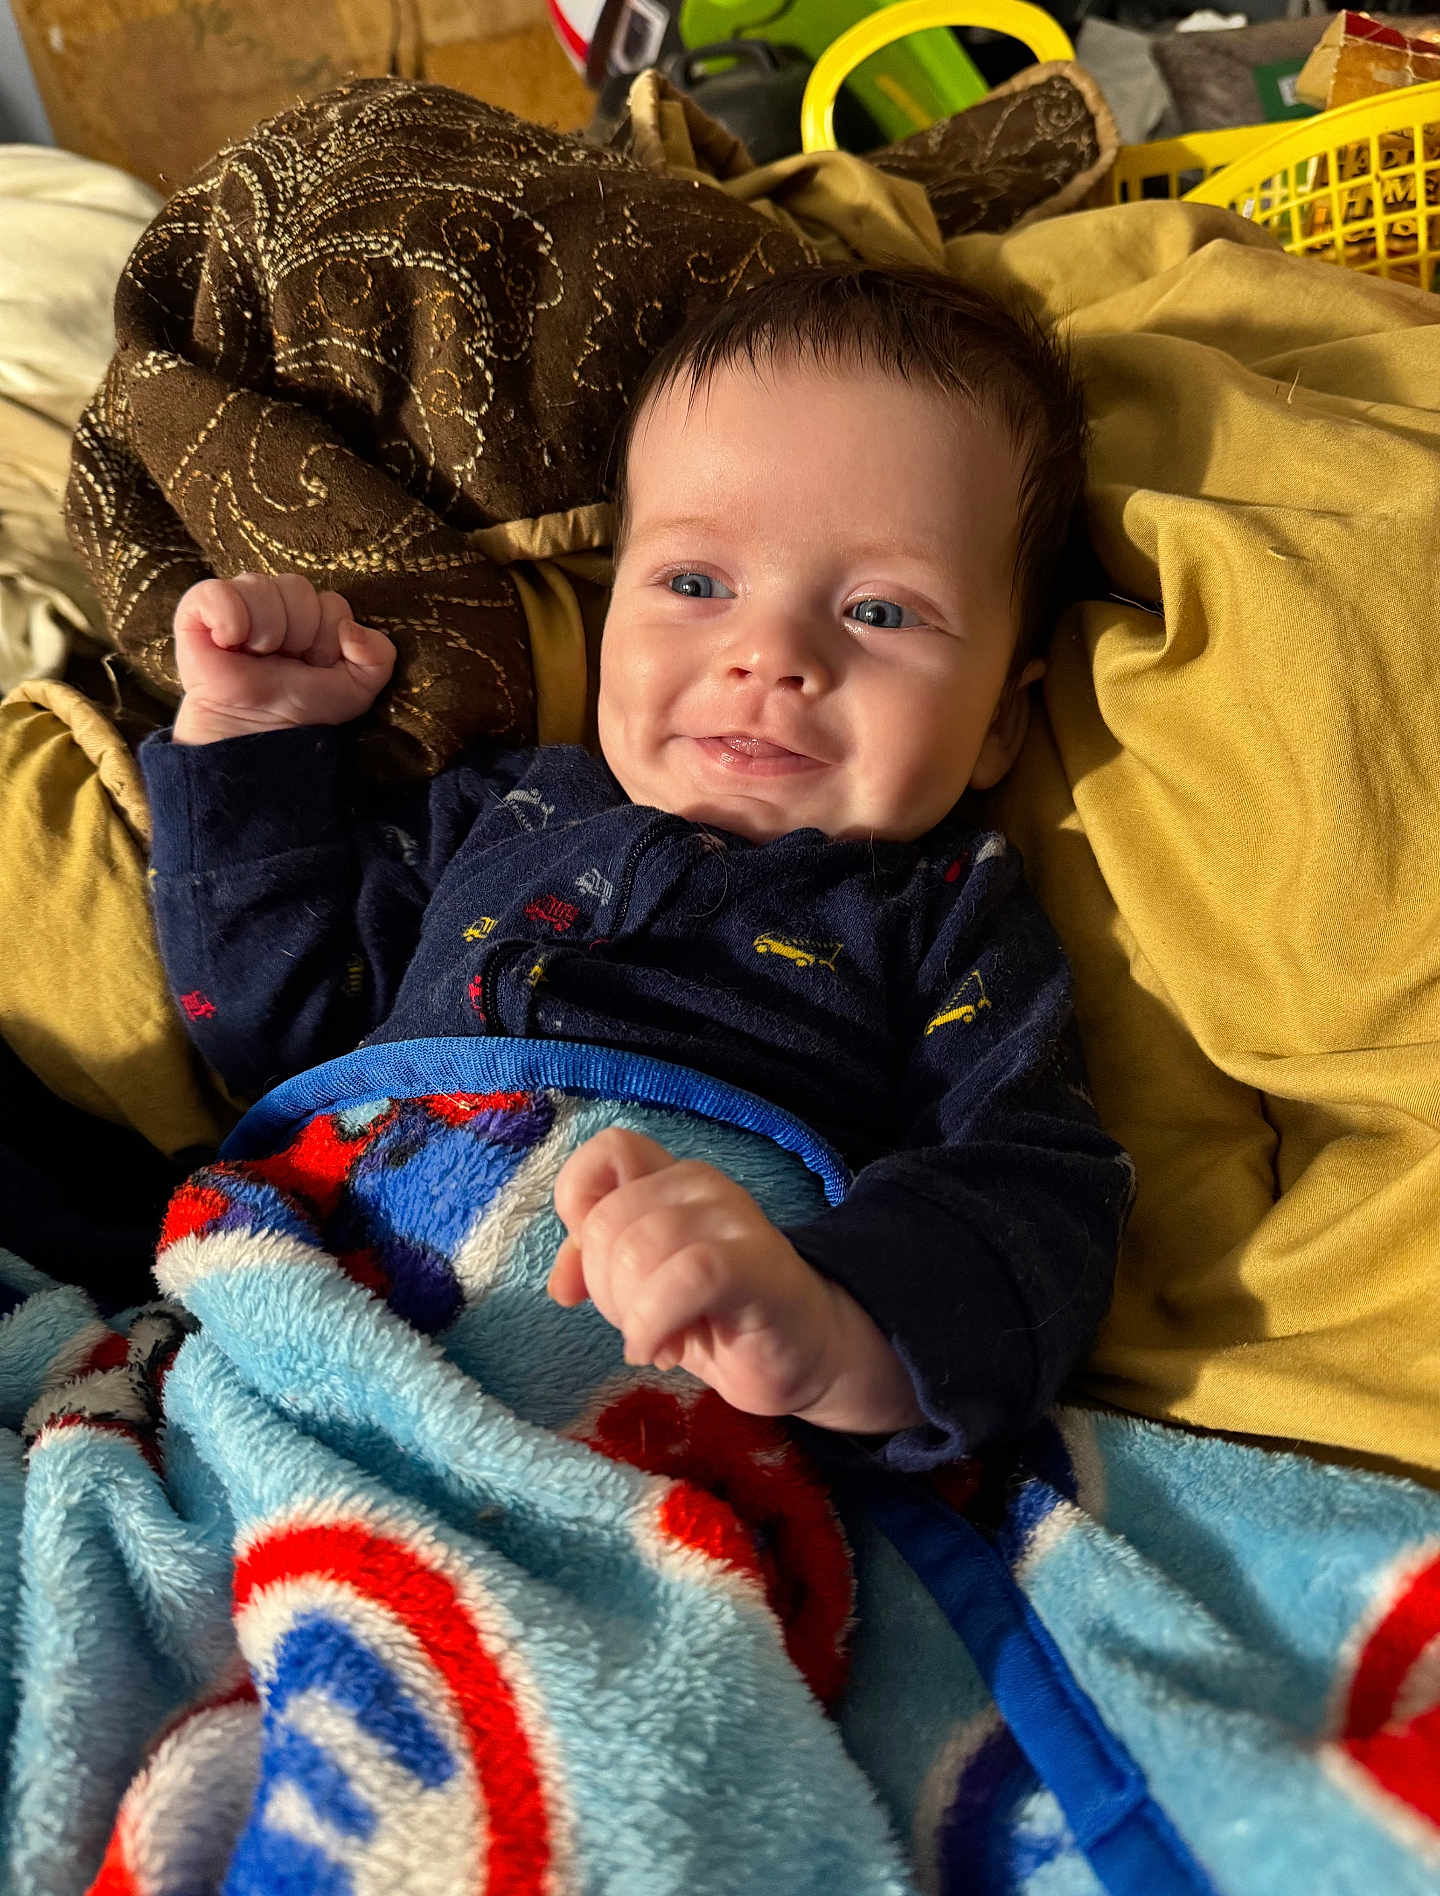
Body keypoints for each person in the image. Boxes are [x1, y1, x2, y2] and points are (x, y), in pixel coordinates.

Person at [140, 264, 1133, 1469]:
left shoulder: (945, 916)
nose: (769, 652)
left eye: (880, 612)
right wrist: (251, 747)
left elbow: (1037, 1201)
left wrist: (830, 1331)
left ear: (1000, 724)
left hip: (675, 1419)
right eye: (696, 584)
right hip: (308, 1343)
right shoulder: (502, 814)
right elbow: (273, 1027)